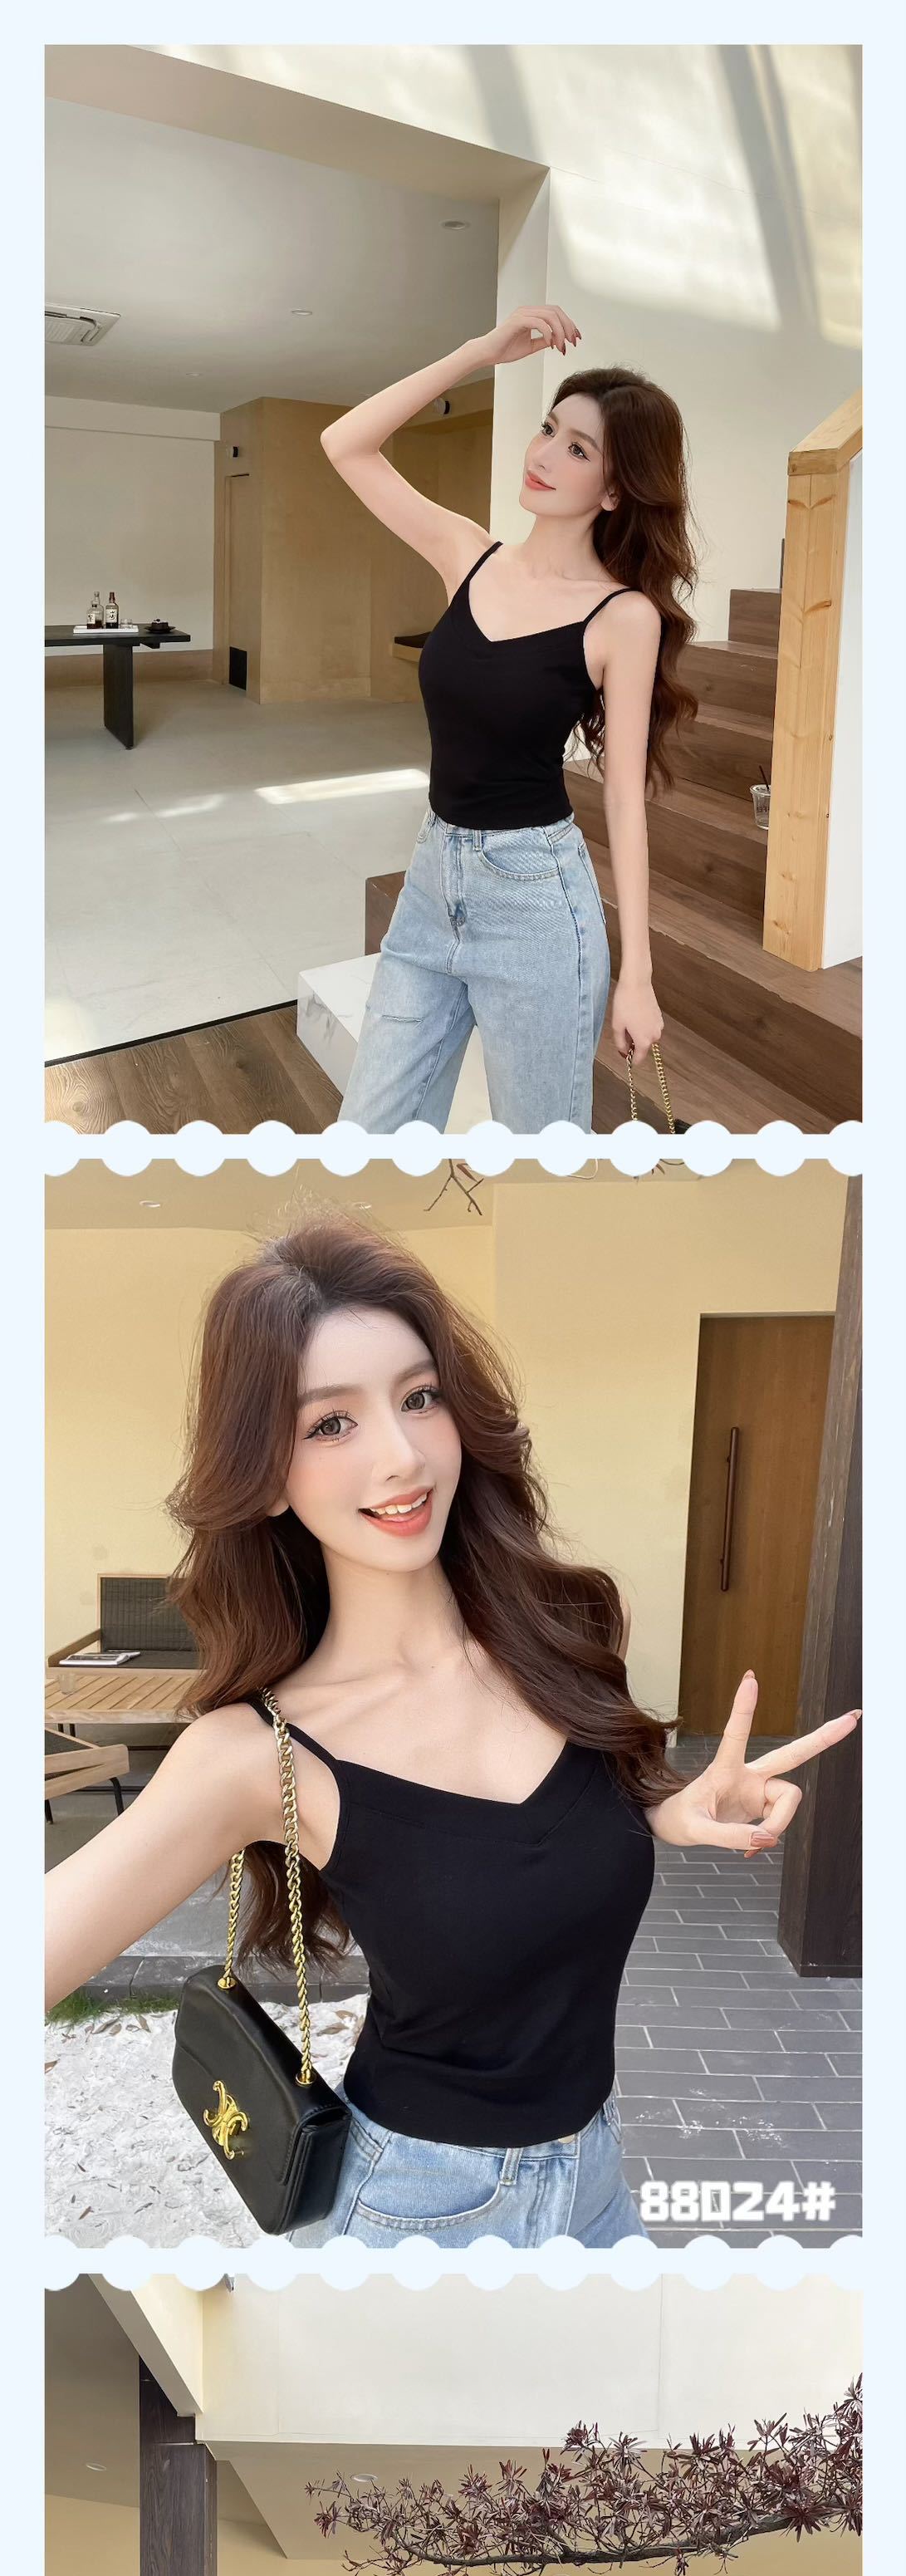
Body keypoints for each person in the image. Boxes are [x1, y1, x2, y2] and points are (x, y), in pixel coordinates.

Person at [45, 1214, 859, 2247]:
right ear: (265, 1472)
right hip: (417, 2212)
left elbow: (538, 1826)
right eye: (328, 1424)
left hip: (597, 2183)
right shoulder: (257, 1754)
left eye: (419, 1397)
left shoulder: (553, 1634)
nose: (400, 1455)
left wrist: (666, 1804)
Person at [320, 308, 698, 1134]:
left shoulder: (621, 617)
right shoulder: (467, 555)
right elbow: (345, 444)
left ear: (614, 490)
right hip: (432, 882)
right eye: (547, 429)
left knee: (537, 1166)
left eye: (578, 449)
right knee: (367, 1139)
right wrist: (478, 352)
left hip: (537, 901)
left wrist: (636, 973)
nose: (544, 455)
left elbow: (623, 800)